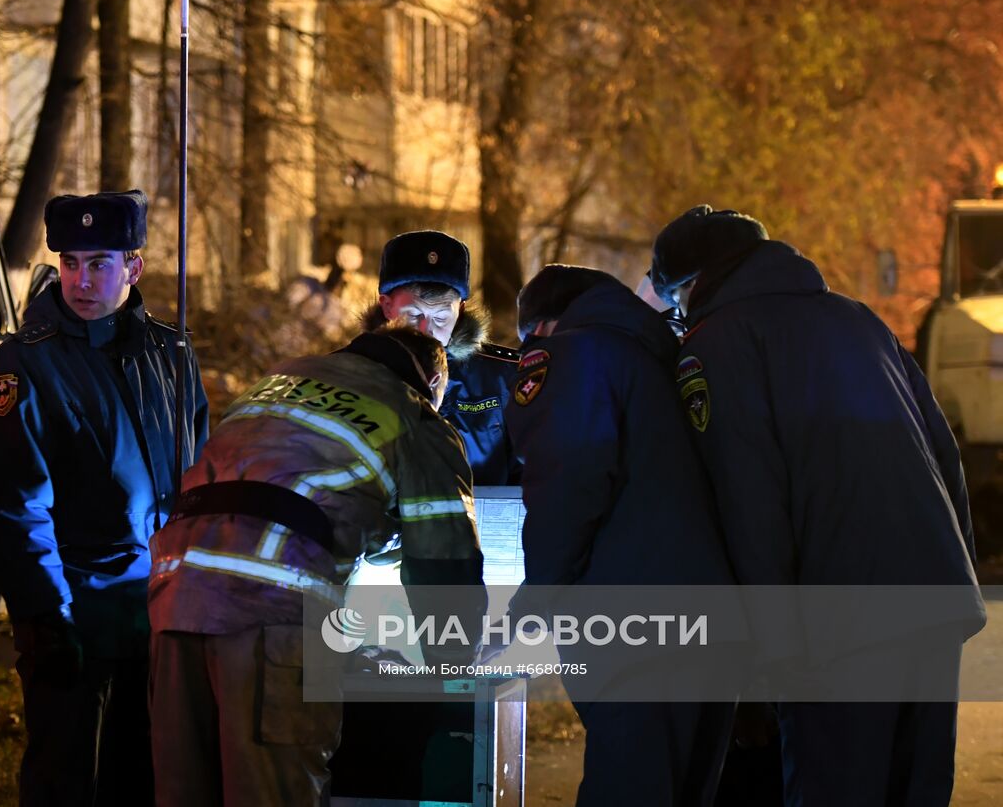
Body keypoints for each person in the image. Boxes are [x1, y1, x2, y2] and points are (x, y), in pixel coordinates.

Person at [649, 204, 986, 806]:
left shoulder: (718, 343)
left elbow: (750, 500)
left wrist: (773, 652)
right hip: (932, 603)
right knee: (918, 787)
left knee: (835, 786)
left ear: (692, 284)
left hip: (834, 617)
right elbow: (945, 457)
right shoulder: (859, 320)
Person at [147, 323, 486, 807]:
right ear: (434, 383)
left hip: (175, 597)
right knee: (273, 791)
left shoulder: (280, 382)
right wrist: (453, 668)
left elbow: (290, 491)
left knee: (185, 790)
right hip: (272, 618)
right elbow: (443, 558)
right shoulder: (415, 415)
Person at [0, 189, 209, 807]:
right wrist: (47, 619)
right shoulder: (23, 367)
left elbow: (198, 473)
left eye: (99, 262)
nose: (81, 279)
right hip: (77, 617)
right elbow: (12, 506)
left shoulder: (171, 353)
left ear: (134, 266)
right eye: (71, 262)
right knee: (66, 780)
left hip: (160, 610)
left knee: (148, 777)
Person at [505, 264, 739, 806]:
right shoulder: (666, 358)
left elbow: (567, 479)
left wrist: (535, 597)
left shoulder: (569, 353)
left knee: (628, 787)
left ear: (541, 327)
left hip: (633, 624)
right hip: (713, 621)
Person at [363, 230, 519, 486]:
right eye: (413, 315)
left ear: (461, 310)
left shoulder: (505, 378)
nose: (426, 331)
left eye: (441, 318)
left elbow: (531, 472)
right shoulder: (349, 373)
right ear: (386, 305)